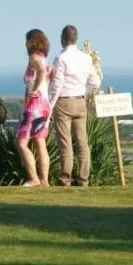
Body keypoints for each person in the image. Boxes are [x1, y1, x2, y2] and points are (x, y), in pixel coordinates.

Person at [49, 24, 101, 186]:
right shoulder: (86, 58)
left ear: (63, 39)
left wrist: (50, 105)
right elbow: (95, 82)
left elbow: (56, 85)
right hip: (80, 101)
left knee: (65, 142)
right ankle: (83, 179)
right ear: (76, 39)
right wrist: (83, 92)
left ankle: (65, 178)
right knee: (82, 143)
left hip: (64, 101)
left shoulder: (61, 58)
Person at [17, 29, 53, 187]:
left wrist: (34, 90)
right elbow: (47, 74)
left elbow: (41, 71)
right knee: (40, 141)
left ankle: (33, 178)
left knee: (21, 143)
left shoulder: (34, 58)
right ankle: (44, 180)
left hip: (34, 105)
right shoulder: (44, 58)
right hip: (45, 104)